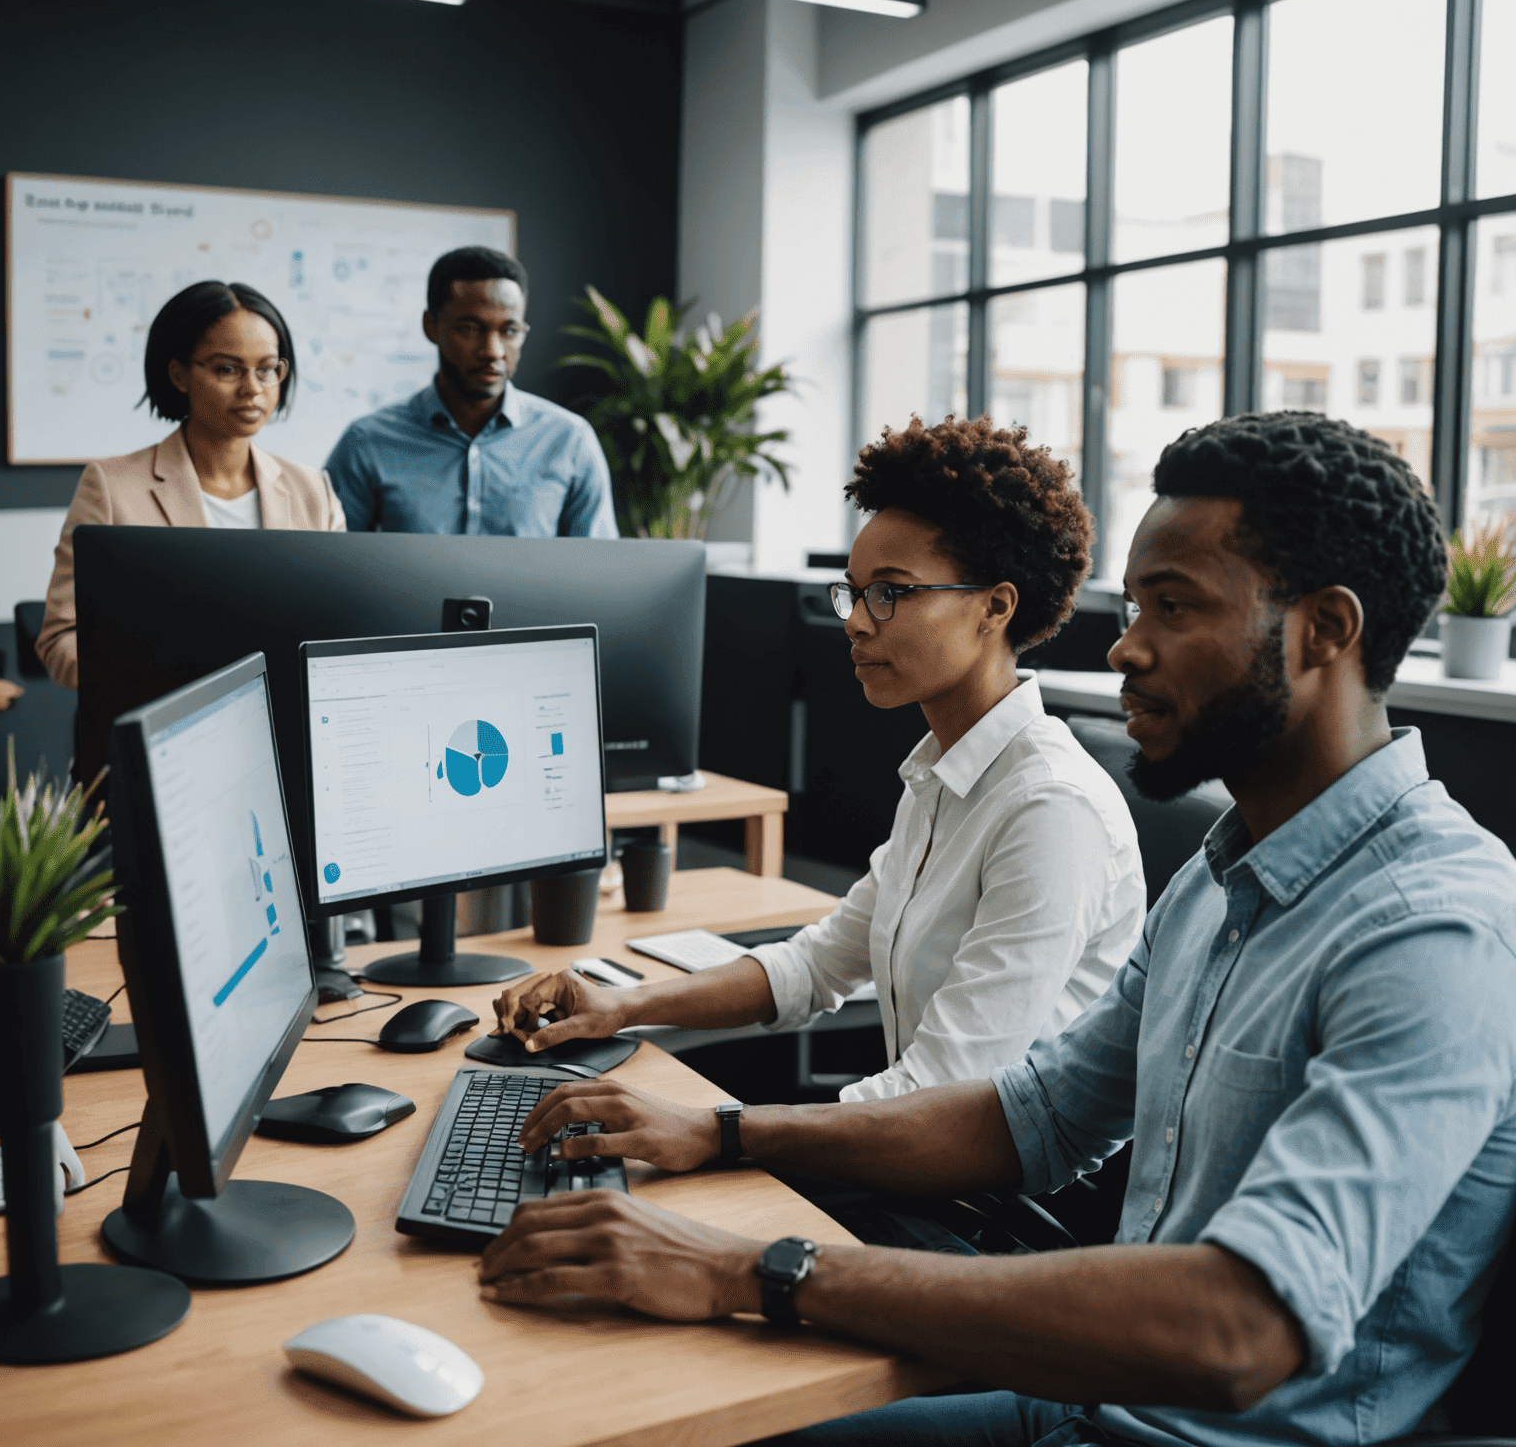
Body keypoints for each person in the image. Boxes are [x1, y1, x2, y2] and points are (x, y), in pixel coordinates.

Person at [478, 413, 1516, 1447]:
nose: (1125, 644)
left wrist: (742, 1268)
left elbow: (1242, 1327)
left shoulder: (1435, 928)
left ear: (1324, 631)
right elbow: (1034, 1116)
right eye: (1133, 602)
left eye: (1174, 606)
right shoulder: (1217, 879)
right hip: (1096, 1402)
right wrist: (719, 1132)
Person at [496, 416, 1145, 1103]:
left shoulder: (1047, 809)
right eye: (855, 592)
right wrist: (622, 1006)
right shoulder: (941, 775)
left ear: (995, 607)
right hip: (918, 1159)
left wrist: (713, 1133)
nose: (857, 622)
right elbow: (814, 966)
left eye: (891, 593)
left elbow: (940, 1092)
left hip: (990, 1199)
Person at [36, 281, 344, 691]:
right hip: (164, 726)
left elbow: (340, 626)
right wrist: (157, 686)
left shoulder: (312, 490)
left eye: (267, 369)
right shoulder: (111, 487)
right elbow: (61, 638)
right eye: (227, 369)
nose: (252, 389)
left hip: (289, 725)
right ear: (179, 374)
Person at [323, 246, 617, 537]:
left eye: (509, 331)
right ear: (431, 327)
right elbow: (330, 562)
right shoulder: (367, 442)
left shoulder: (569, 441)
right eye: (470, 329)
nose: (493, 351)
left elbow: (598, 571)